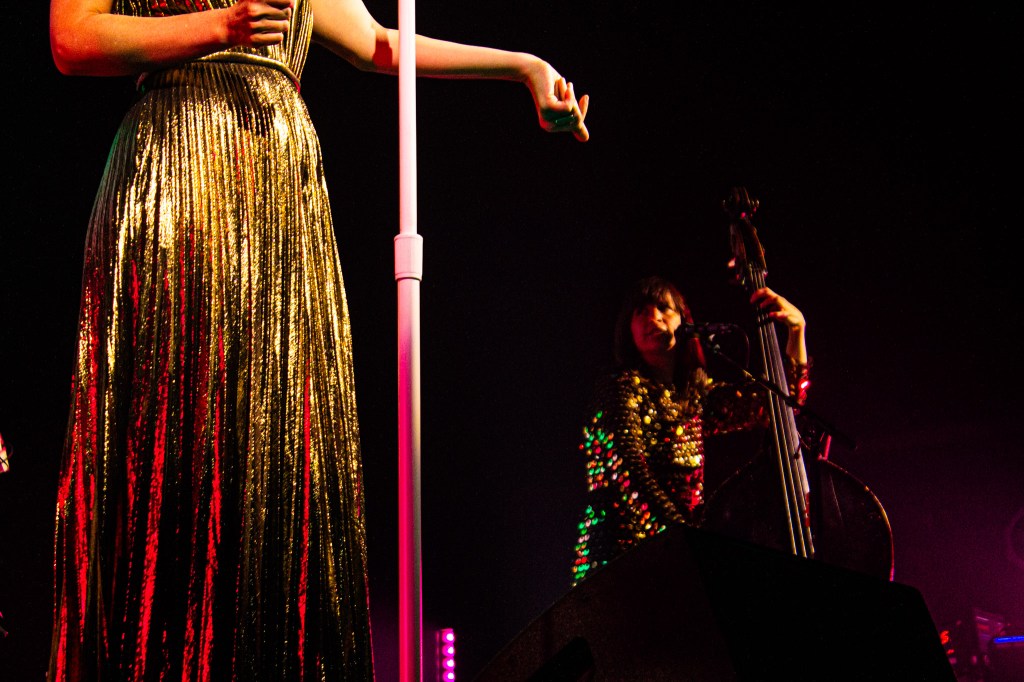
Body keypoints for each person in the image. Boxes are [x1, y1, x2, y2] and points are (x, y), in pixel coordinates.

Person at [48, 0, 589, 679]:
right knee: (183, 432)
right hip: (179, 171)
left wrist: (525, 69)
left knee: (270, 446)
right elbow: (71, 38)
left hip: (276, 184)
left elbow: (377, 43)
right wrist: (219, 27)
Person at [570, 275, 810, 586]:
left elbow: (776, 406)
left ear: (684, 322)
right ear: (627, 328)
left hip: (674, 560)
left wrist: (796, 330)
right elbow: (629, 474)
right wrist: (688, 539)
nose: (652, 317)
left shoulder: (694, 399)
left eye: (663, 308)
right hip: (618, 563)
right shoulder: (617, 388)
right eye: (640, 311)